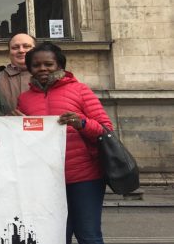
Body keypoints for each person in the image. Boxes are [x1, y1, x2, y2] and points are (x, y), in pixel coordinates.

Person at [17, 43, 112, 244]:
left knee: (89, 235)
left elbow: (106, 129)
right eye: (36, 65)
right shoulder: (24, 99)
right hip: (45, 180)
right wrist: (15, 124)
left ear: (60, 65)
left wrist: (82, 123)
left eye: (48, 64)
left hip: (84, 177)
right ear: (30, 68)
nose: (42, 69)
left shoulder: (80, 90)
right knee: (56, 236)